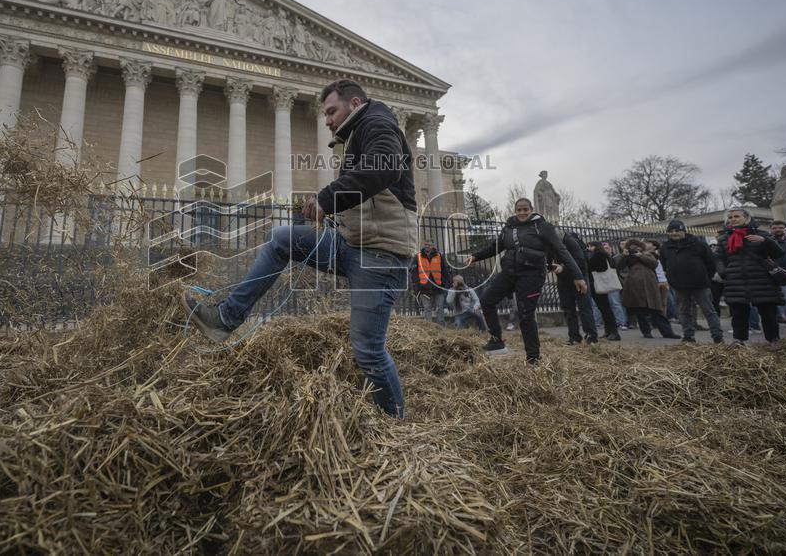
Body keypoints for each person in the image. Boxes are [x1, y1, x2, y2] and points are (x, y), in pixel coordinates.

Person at [182, 80, 417, 418]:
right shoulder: (357, 134)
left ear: (355, 103)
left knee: (368, 351)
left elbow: (384, 168)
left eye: (332, 111)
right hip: (352, 244)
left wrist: (327, 198)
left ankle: (397, 425)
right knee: (283, 239)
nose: (327, 120)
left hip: (381, 254)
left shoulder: (377, 123)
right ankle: (225, 318)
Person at [463, 198, 587, 364]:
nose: (522, 213)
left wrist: (578, 276)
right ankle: (496, 341)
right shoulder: (509, 227)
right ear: (515, 211)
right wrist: (476, 256)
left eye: (525, 209)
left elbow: (561, 250)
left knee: (526, 315)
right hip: (509, 272)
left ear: (531, 210)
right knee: (486, 300)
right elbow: (496, 246)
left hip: (532, 274)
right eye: (519, 210)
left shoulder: (542, 227)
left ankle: (533, 358)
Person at [715, 208, 785, 348]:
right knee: (739, 313)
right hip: (736, 280)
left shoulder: (762, 234)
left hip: (762, 280)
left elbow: (779, 253)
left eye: (736, 216)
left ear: (747, 218)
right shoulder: (724, 238)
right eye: (730, 217)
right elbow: (718, 258)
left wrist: (765, 241)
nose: (733, 219)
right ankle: (739, 340)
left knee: (768, 312)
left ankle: (773, 340)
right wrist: (724, 272)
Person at [661, 220, 723, 343]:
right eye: (671, 231)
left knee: (708, 310)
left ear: (683, 231)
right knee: (684, 311)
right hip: (679, 285)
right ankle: (688, 336)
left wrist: (705, 276)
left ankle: (717, 336)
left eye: (677, 230)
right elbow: (664, 264)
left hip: (699, 284)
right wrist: (672, 279)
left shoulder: (698, 244)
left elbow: (710, 262)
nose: (674, 233)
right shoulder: (665, 247)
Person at [617, 239, 680, 339]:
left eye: (637, 246)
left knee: (657, 310)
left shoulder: (648, 254)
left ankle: (667, 332)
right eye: (632, 247)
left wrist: (640, 255)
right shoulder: (627, 256)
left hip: (650, 286)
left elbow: (654, 264)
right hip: (635, 286)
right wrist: (624, 255)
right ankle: (646, 332)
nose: (635, 249)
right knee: (640, 312)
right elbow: (619, 266)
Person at [553, 231, 599, 344]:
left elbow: (580, 261)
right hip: (563, 279)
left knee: (584, 307)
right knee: (568, 309)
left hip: (579, 278)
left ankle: (591, 336)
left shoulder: (570, 242)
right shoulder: (550, 243)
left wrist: (563, 268)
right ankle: (574, 337)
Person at [586, 240, 622, 340]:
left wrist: (589, 258)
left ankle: (614, 332)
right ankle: (609, 331)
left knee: (605, 308)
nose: (588, 248)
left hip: (599, 283)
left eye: (589, 246)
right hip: (600, 283)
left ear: (593, 246)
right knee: (604, 308)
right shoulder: (604, 254)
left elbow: (597, 267)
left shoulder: (599, 254)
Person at [411, 240, 446, 325]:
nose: (427, 246)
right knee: (427, 308)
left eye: (429, 245)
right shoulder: (418, 256)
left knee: (440, 307)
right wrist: (417, 282)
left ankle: (441, 327)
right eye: (426, 244)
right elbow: (413, 271)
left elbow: (445, 270)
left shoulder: (439, 256)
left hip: (438, 286)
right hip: (424, 287)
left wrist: (445, 283)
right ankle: (429, 327)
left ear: (433, 246)